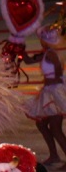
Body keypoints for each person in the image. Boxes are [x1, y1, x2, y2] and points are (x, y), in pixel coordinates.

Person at [27, 25, 66, 166]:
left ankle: (57, 156)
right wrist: (18, 50)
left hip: (54, 93)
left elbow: (59, 74)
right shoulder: (45, 53)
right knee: (42, 124)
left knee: (55, 128)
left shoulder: (51, 54)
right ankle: (54, 155)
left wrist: (54, 92)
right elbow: (28, 60)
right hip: (48, 92)